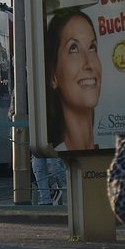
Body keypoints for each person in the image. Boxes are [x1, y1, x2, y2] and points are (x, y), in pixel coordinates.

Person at [44, 8, 102, 151]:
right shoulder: (55, 162)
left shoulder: (116, 155)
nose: (89, 63)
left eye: (92, 47)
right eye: (74, 48)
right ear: (53, 76)